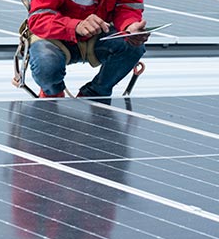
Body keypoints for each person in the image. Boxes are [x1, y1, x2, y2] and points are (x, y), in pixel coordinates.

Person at [7, 99, 132, 238]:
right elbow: (108, 191)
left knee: (36, 133)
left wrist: (62, 180)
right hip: (87, 157)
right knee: (110, 151)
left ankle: (48, 92)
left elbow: (25, 178)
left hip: (43, 151)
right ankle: (98, 97)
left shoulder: (32, 231)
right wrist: (78, 185)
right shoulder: (97, 233)